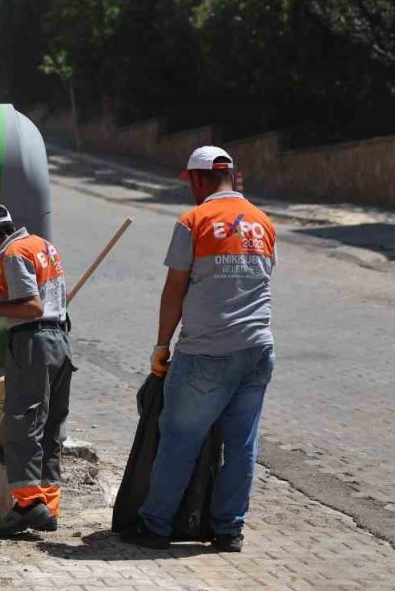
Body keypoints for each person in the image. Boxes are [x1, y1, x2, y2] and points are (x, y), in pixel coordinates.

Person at [124, 146, 277, 553]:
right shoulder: (263, 223)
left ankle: (156, 526)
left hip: (207, 353)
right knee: (241, 445)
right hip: (258, 350)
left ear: (198, 179)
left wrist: (161, 345)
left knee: (179, 438)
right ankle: (229, 531)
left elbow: (175, 289)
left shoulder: (194, 220)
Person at [0, 203, 73, 536]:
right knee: (50, 424)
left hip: (33, 343)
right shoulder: (42, 245)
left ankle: (27, 505)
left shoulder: (11, 254)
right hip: (60, 341)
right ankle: (48, 506)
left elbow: (32, 306)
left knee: (22, 422)